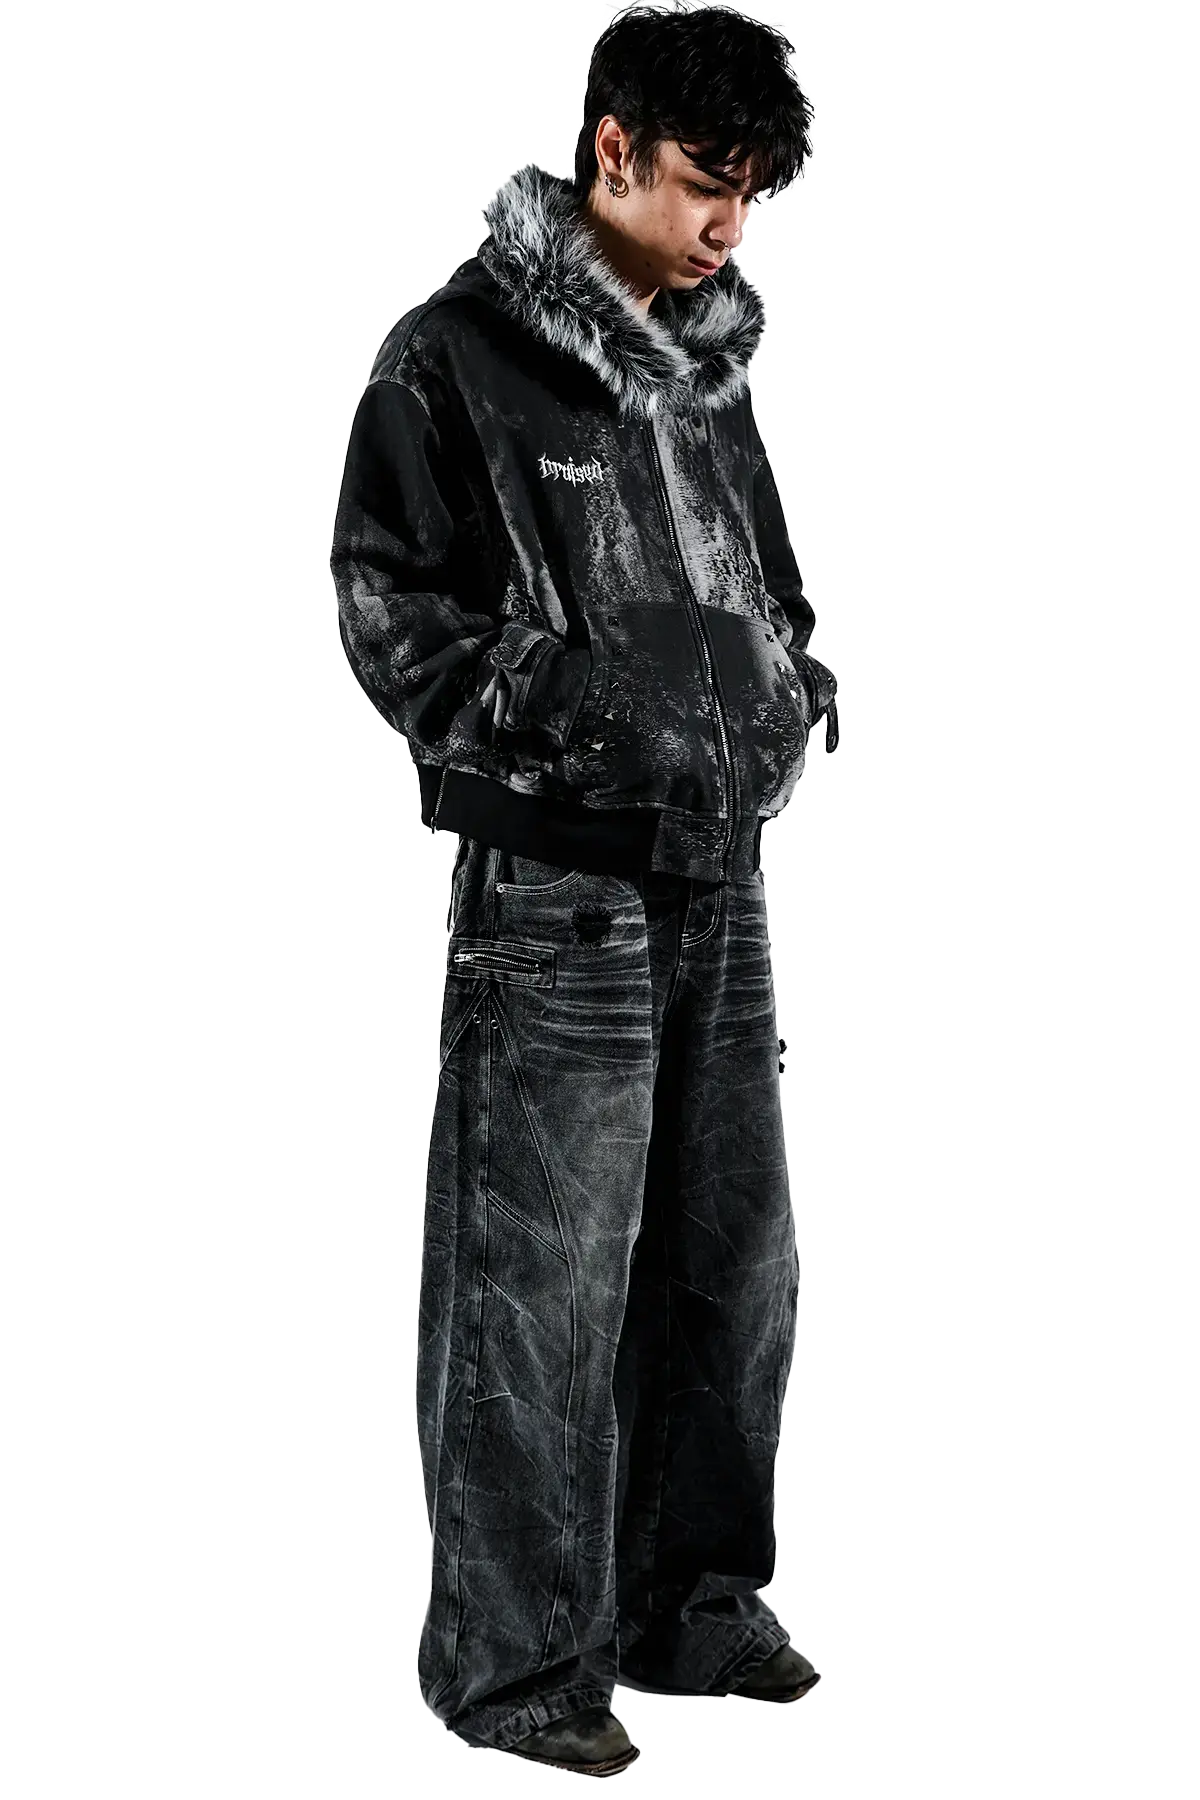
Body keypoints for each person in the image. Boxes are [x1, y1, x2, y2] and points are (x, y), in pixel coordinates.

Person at [329, 0, 836, 1775]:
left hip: (722, 880)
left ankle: (692, 1600)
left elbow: (770, 592)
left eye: (753, 199)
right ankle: (518, 1664)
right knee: (537, 1287)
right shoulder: (454, 356)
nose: (727, 228)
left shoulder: (705, 372)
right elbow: (390, 613)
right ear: (610, 147)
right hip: (556, 899)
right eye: (706, 183)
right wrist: (583, 712)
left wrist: (794, 693)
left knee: (732, 1268)